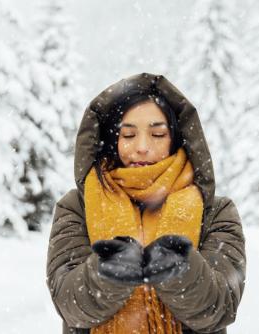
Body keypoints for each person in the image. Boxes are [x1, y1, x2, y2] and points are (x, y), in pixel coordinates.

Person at [46, 72, 246, 334]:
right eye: (128, 135)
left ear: (175, 138)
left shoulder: (216, 212)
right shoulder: (75, 207)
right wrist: (106, 272)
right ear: (112, 141)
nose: (142, 147)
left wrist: (182, 269)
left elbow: (219, 308)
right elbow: (70, 305)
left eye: (158, 134)